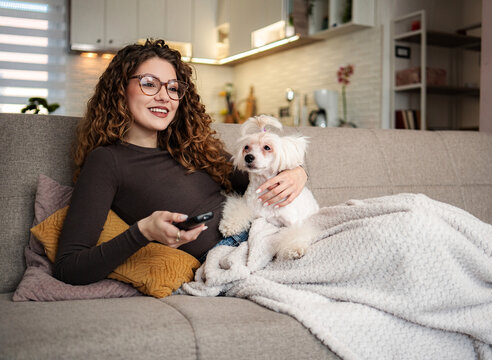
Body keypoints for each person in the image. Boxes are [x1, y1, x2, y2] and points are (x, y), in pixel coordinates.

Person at [53, 39, 307, 285]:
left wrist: (298, 173)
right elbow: (69, 267)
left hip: (271, 233)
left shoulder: (193, 145)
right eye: (149, 84)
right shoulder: (107, 161)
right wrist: (143, 232)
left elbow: (260, 172)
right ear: (120, 89)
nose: (165, 96)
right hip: (232, 257)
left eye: (173, 88)